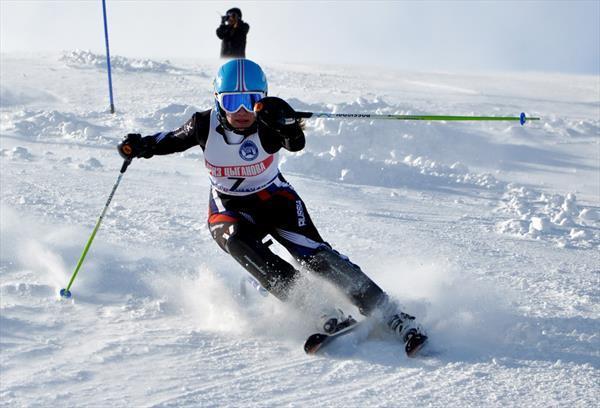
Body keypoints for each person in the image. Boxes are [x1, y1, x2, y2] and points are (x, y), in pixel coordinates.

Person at [117, 59, 427, 355]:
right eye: (230, 101)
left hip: (275, 200)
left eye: (250, 100)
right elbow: (169, 139)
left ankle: (390, 314)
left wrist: (289, 126)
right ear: (217, 100)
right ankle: (318, 309)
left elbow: (295, 144)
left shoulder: (267, 122)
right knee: (240, 243)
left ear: (261, 99)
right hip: (229, 207)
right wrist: (140, 146)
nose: (240, 111)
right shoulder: (203, 124)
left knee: (316, 257)